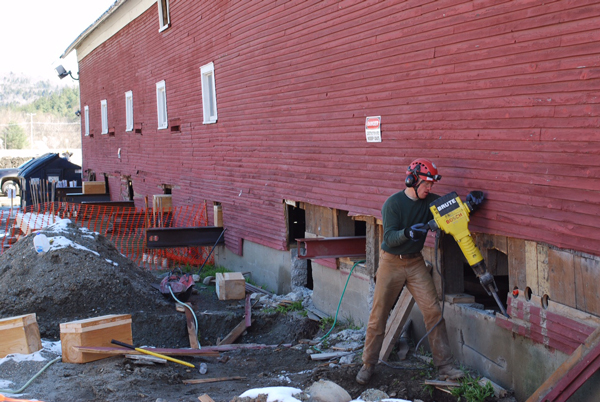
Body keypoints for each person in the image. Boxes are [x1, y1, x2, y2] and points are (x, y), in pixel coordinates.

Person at [356, 158, 483, 385]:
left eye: (432, 185)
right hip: (391, 262)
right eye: (426, 184)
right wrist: (408, 233)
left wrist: (470, 205)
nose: (430, 189)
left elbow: (452, 212)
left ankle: (445, 366)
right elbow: (389, 238)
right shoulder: (393, 204)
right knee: (379, 315)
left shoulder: (431, 202)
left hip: (415, 263)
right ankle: (368, 365)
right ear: (411, 180)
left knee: (433, 311)